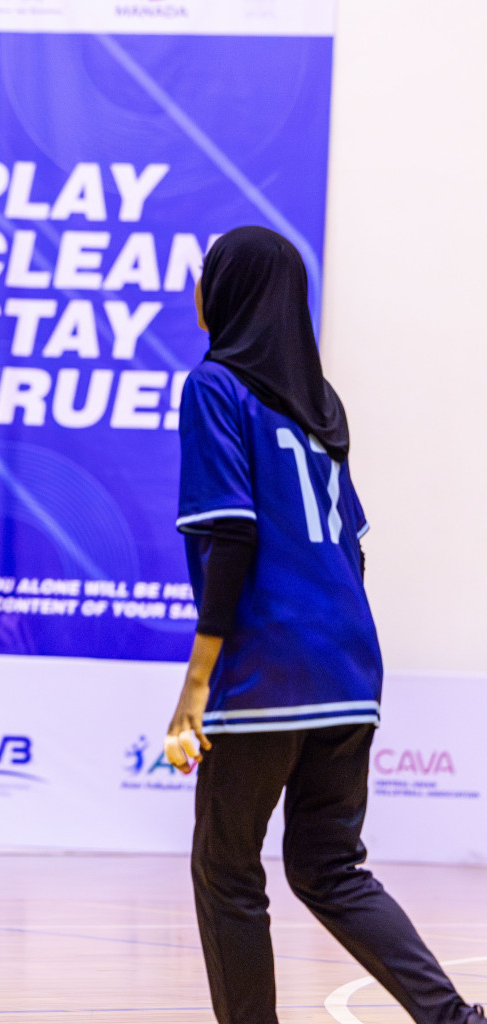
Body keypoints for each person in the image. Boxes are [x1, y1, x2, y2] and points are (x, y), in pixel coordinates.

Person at [163, 226, 485, 1024]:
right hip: (350, 670)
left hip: (270, 671)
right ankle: (454, 1020)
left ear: (223, 295)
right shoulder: (321, 405)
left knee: (227, 871)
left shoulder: (214, 388)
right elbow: (355, 551)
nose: (194, 291)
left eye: (204, 277)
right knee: (330, 867)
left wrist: (196, 686)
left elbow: (232, 537)